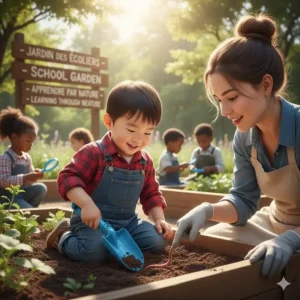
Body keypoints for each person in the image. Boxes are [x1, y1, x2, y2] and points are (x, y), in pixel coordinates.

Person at [173, 14, 300, 278]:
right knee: (211, 241)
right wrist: (208, 210)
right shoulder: (244, 137)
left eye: (231, 97)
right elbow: (243, 201)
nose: (223, 110)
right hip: (273, 223)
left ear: (266, 85)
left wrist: (290, 240)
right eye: (219, 100)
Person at [46, 80, 173, 263]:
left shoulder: (145, 161)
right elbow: (68, 178)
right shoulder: (93, 152)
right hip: (92, 222)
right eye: (131, 129)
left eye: (147, 133)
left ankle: (115, 246)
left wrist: (159, 219)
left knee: (157, 242)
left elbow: (151, 193)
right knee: (93, 252)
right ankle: (62, 236)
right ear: (109, 122)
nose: (138, 139)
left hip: (128, 222)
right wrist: (87, 204)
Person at [0, 107, 47, 208]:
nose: (31, 144)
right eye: (28, 141)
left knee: (41, 188)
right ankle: (24, 212)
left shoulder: (27, 158)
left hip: (21, 195)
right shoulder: (5, 158)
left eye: (33, 141)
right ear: (14, 137)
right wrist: (25, 177)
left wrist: (36, 175)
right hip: (9, 199)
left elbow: (30, 179)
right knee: (29, 212)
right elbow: (3, 180)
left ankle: (26, 211)